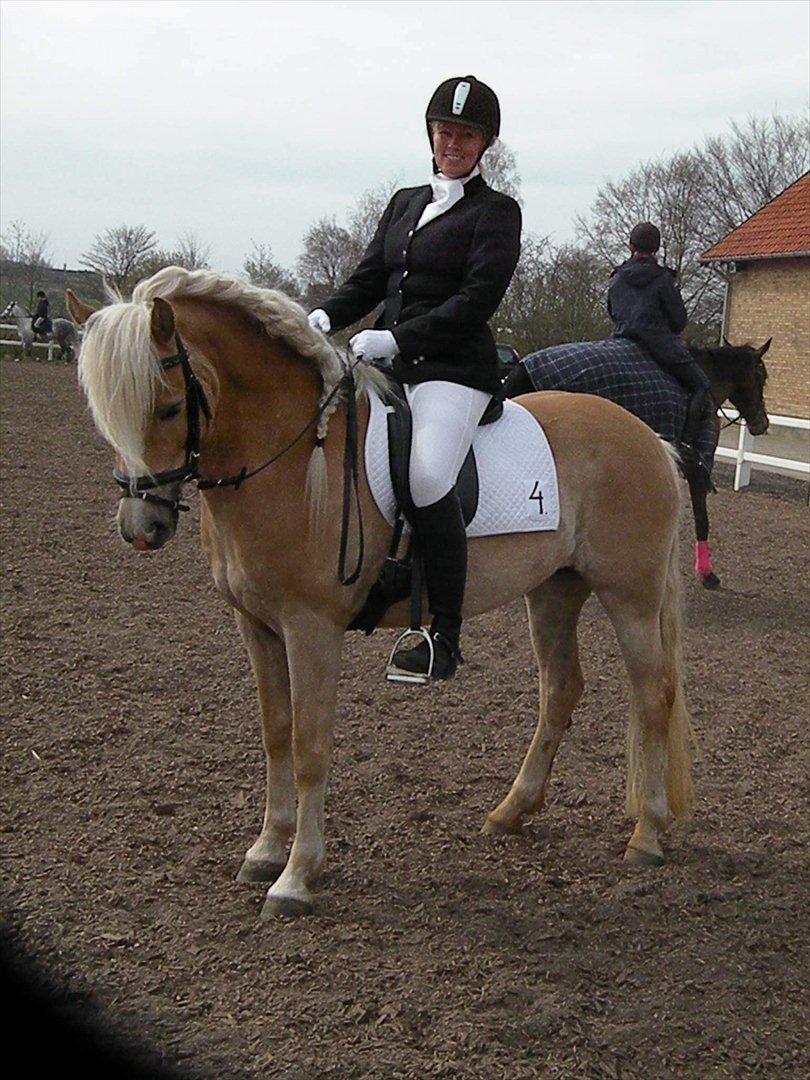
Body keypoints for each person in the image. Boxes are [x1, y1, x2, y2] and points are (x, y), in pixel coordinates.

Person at [309, 75, 521, 680]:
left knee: (428, 475)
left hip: (453, 369)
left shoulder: (497, 213)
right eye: (446, 131)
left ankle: (443, 637)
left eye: (467, 134)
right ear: (431, 134)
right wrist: (324, 314)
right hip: (389, 362)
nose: (453, 142)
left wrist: (398, 337)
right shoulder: (405, 201)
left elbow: (476, 300)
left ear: (485, 145)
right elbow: (370, 276)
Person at [607, 223, 711, 455]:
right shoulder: (663, 279)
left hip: (621, 342)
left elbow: (613, 311)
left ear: (630, 246)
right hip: (660, 347)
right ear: (657, 248)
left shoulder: (617, 278)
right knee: (702, 384)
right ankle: (686, 445)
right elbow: (678, 321)